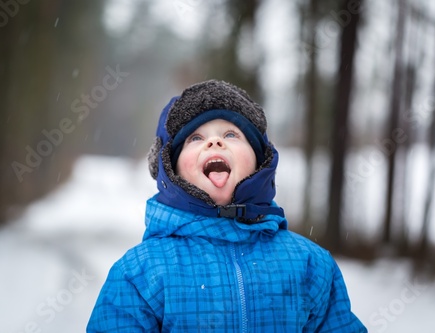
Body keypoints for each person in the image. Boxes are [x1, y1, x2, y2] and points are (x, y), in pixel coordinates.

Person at [87, 80, 367, 332]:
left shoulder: (309, 264)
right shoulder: (140, 271)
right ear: (170, 169)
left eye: (232, 134)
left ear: (260, 161)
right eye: (195, 138)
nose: (215, 141)